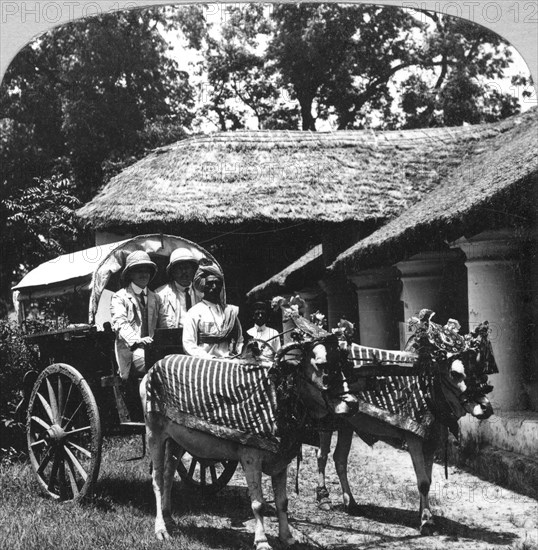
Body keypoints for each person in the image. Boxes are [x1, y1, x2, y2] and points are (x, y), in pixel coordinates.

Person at [111, 250, 174, 380]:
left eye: (147, 271)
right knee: (157, 366)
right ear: (130, 274)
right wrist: (137, 341)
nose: (144, 274)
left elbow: (164, 324)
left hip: (154, 351)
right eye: (139, 270)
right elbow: (120, 323)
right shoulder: (120, 297)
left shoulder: (155, 298)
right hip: (131, 351)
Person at [182, 265, 243, 358]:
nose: (214, 287)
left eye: (217, 283)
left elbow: (239, 340)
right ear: (203, 286)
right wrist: (209, 358)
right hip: (205, 361)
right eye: (210, 283)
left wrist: (236, 353)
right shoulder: (194, 312)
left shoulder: (230, 311)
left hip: (229, 361)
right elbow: (188, 344)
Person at [156, 248, 201, 327]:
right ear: (172, 271)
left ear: (193, 270)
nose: (184, 272)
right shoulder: (160, 294)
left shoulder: (202, 293)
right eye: (180, 268)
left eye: (187, 268)